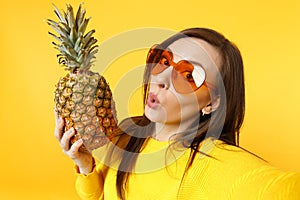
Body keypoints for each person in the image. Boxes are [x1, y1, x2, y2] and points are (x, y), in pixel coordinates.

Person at [54, 28, 300, 199]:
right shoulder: (127, 136)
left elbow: (280, 189)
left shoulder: (211, 163)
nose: (161, 78)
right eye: (162, 60)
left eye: (188, 76)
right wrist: (86, 166)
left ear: (212, 103)